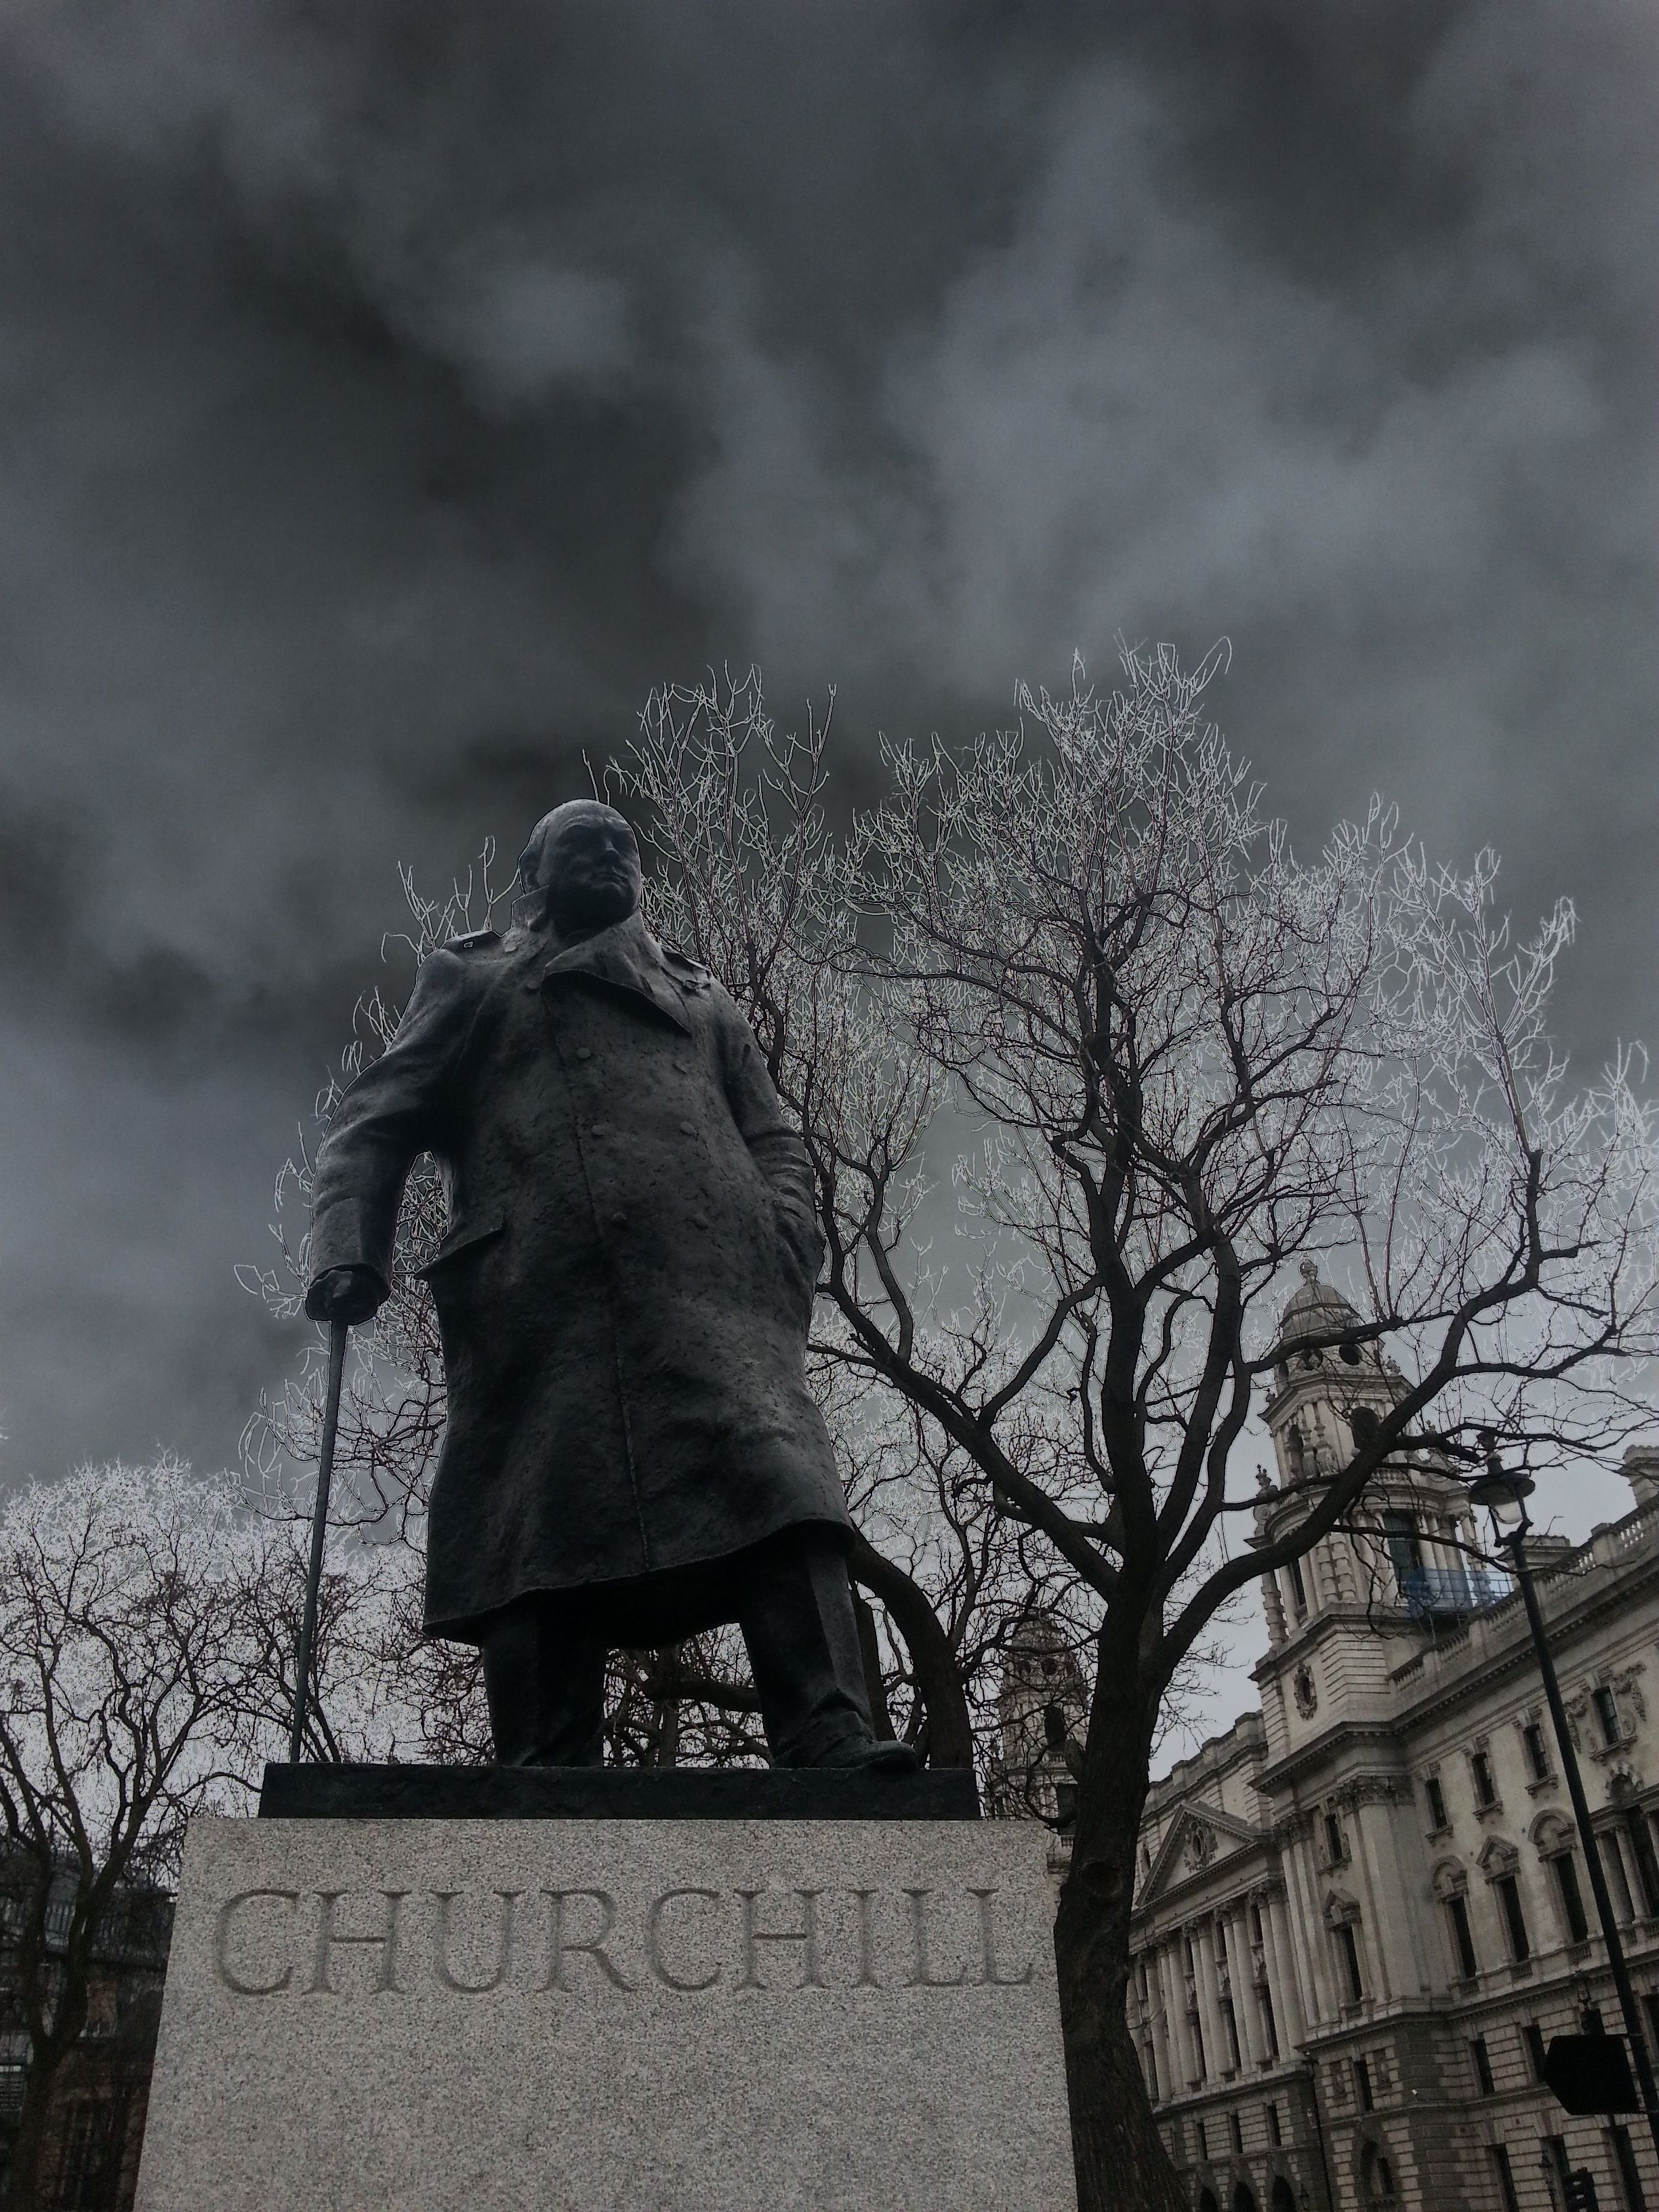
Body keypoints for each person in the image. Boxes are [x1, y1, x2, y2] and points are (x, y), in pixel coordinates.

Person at [306, 798, 912, 1773]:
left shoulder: (703, 995)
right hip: (539, 1300)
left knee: (785, 1483)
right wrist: (349, 1246)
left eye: (622, 846)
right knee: (538, 1516)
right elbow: (375, 1118)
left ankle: (829, 1729)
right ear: (532, 873)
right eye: (581, 846)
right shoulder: (473, 977)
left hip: (716, 1286)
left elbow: (774, 1137)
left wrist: (788, 1236)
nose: (606, 857)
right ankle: (546, 1763)